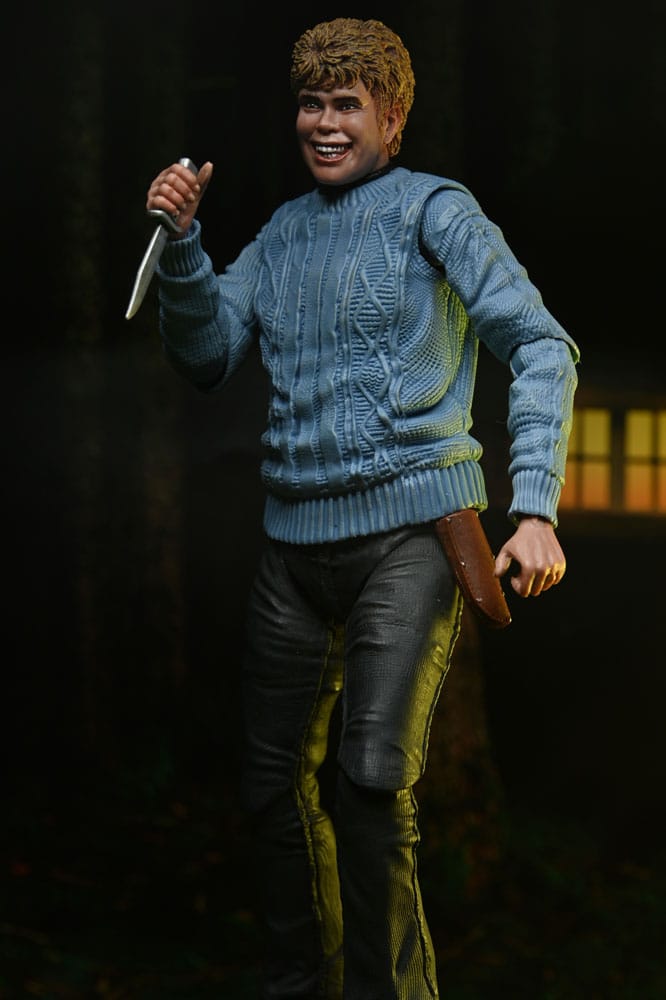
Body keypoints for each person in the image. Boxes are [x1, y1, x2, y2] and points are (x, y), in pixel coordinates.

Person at [144, 16, 579, 999]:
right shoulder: (283, 233)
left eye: (347, 104)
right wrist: (181, 246)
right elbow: (206, 354)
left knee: (375, 780)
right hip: (293, 549)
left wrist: (536, 507)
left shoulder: (436, 211)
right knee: (270, 786)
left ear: (392, 116)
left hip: (411, 539)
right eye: (312, 103)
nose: (326, 123)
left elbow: (539, 343)